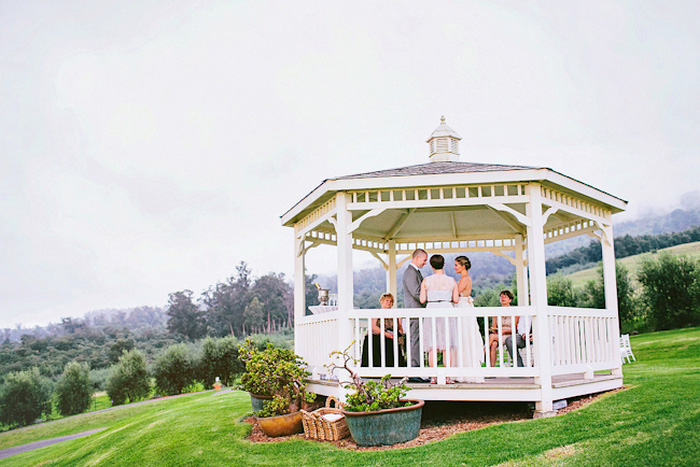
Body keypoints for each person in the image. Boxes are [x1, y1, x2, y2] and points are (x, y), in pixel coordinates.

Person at [420, 254, 459, 384]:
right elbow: (456, 299)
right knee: (446, 345)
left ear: (431, 266)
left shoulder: (426, 280)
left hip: (432, 308)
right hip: (446, 308)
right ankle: (447, 376)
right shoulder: (451, 280)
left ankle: (434, 377)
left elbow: (422, 299)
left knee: (432, 345)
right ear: (444, 265)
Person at [454, 256, 485, 382]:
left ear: (463, 266)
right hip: (463, 306)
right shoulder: (465, 278)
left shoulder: (464, 279)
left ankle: (465, 371)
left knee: (464, 336)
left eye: (456, 265)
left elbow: (455, 294)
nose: (454, 267)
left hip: (462, 307)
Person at [361, 293, 406, 367]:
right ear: (381, 302)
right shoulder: (377, 312)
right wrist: (385, 334)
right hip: (378, 334)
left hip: (391, 334)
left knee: (393, 341)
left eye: (391, 301)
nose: (389, 303)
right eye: (387, 300)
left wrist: (397, 333)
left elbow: (400, 328)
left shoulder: (395, 314)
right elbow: (373, 326)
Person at [402, 248, 427, 375]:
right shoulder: (410, 273)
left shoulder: (414, 272)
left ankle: (417, 369)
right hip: (415, 311)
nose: (425, 263)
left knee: (417, 340)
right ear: (417, 258)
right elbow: (417, 293)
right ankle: (414, 370)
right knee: (415, 340)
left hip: (418, 312)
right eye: (424, 260)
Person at [488, 290, 519, 367]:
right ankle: (492, 370)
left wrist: (504, 331)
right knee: (493, 344)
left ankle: (483, 352)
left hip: (509, 334)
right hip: (498, 335)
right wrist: (495, 330)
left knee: (491, 337)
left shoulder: (515, 312)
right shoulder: (496, 311)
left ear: (510, 300)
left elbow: (515, 329)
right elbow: (494, 326)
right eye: (501, 296)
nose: (503, 298)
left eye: (505, 296)